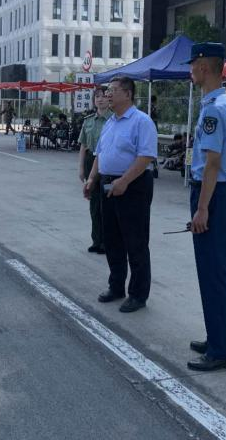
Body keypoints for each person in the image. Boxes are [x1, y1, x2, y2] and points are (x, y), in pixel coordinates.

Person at [186, 42, 226, 372]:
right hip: (218, 193)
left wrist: (202, 208)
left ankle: (221, 350)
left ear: (204, 67)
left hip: (212, 195)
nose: (190, 70)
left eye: (193, 65)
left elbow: (212, 163)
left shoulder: (213, 110)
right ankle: (217, 336)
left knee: (214, 272)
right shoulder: (223, 104)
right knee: (213, 271)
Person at [83, 76, 157, 314]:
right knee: (112, 240)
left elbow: (146, 156)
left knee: (135, 241)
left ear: (127, 94)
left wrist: (124, 181)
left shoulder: (141, 121)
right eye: (107, 91)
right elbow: (100, 154)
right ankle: (116, 286)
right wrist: (92, 179)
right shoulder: (110, 123)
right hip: (107, 184)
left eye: (112, 91)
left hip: (133, 185)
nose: (107, 95)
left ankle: (138, 294)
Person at [78, 86, 110, 254]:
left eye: (104, 96)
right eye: (97, 96)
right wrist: (81, 167)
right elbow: (83, 145)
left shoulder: (114, 120)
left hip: (107, 162)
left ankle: (106, 242)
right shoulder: (88, 121)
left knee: (106, 204)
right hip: (91, 160)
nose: (100, 99)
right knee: (94, 203)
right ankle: (96, 240)